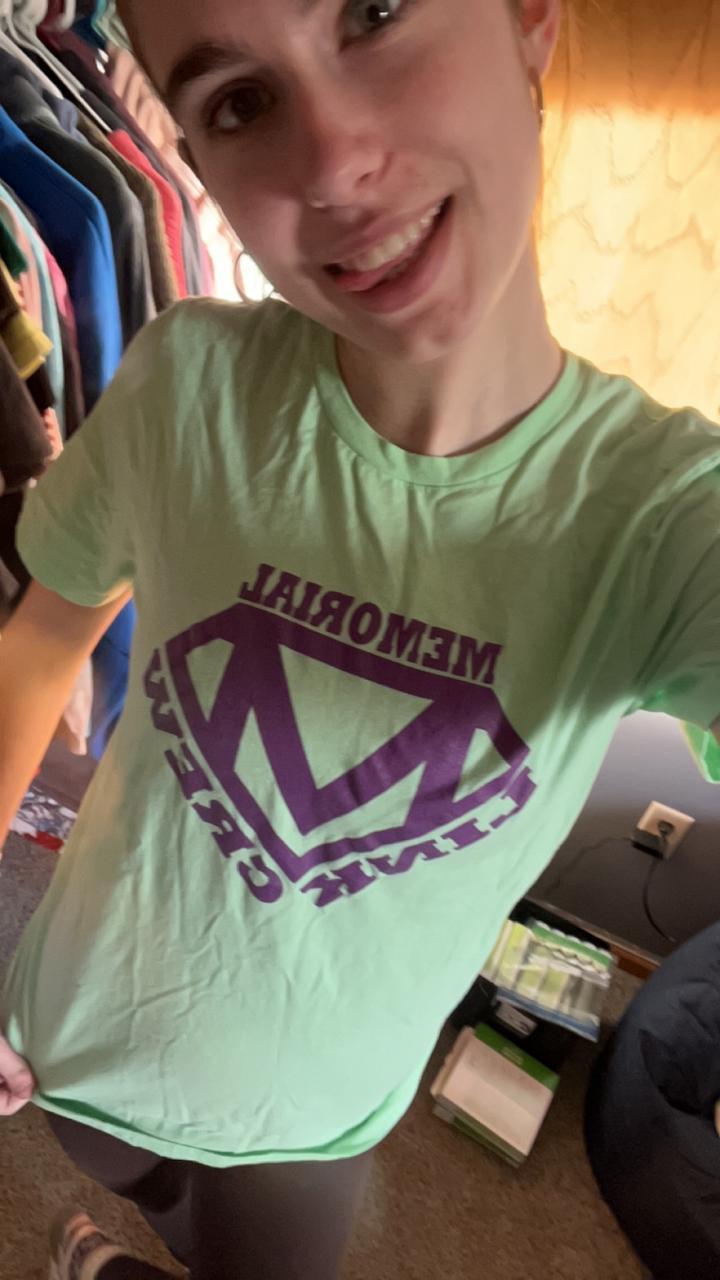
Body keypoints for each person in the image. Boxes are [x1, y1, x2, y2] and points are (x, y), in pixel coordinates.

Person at [0, 1, 718, 1277]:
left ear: (530, 18)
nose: (332, 164)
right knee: (129, 1185)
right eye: (238, 101)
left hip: (307, 1120)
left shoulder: (671, 521)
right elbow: (46, 627)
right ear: (197, 161)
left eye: (376, 10)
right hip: (72, 1036)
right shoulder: (183, 381)